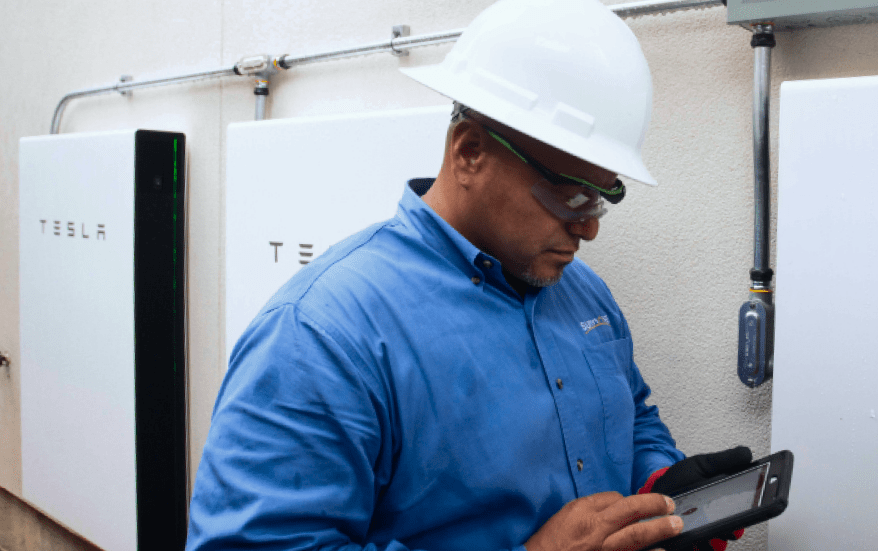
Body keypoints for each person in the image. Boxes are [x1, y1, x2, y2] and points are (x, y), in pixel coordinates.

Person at [186, 0, 750, 550]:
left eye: (601, 200)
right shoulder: (320, 335)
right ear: (470, 151)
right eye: (571, 195)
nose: (589, 230)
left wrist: (658, 485)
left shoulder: (582, 294)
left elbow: (634, 420)